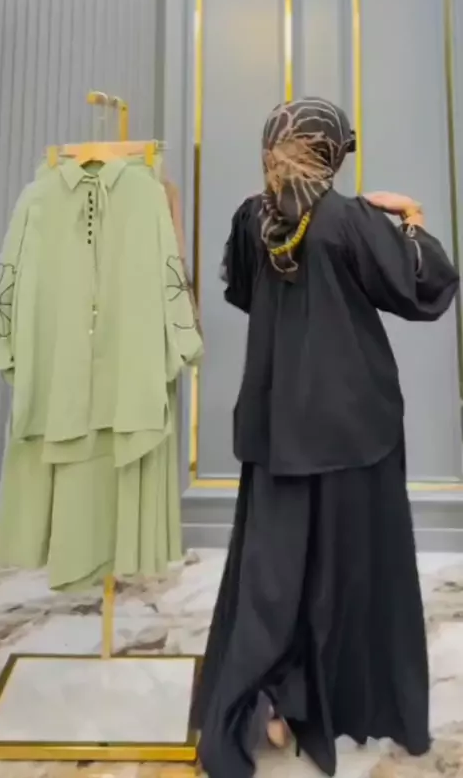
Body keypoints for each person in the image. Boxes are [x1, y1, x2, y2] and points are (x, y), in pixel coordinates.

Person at [192, 98, 459, 778]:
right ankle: (336, 701)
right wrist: (412, 221)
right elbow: (425, 291)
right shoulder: (350, 219)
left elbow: (246, 292)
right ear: (331, 152)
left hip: (277, 426)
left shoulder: (251, 220)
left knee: (272, 576)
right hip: (353, 425)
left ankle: (266, 703)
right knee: (351, 572)